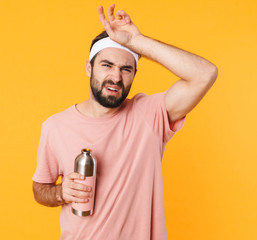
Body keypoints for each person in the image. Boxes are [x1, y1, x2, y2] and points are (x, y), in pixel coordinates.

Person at [32, 4, 217, 240]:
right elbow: (40, 189)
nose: (116, 77)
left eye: (126, 69)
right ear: (89, 68)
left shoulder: (149, 115)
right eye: (107, 65)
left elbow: (205, 74)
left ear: (134, 75)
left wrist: (136, 41)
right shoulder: (55, 126)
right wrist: (60, 192)